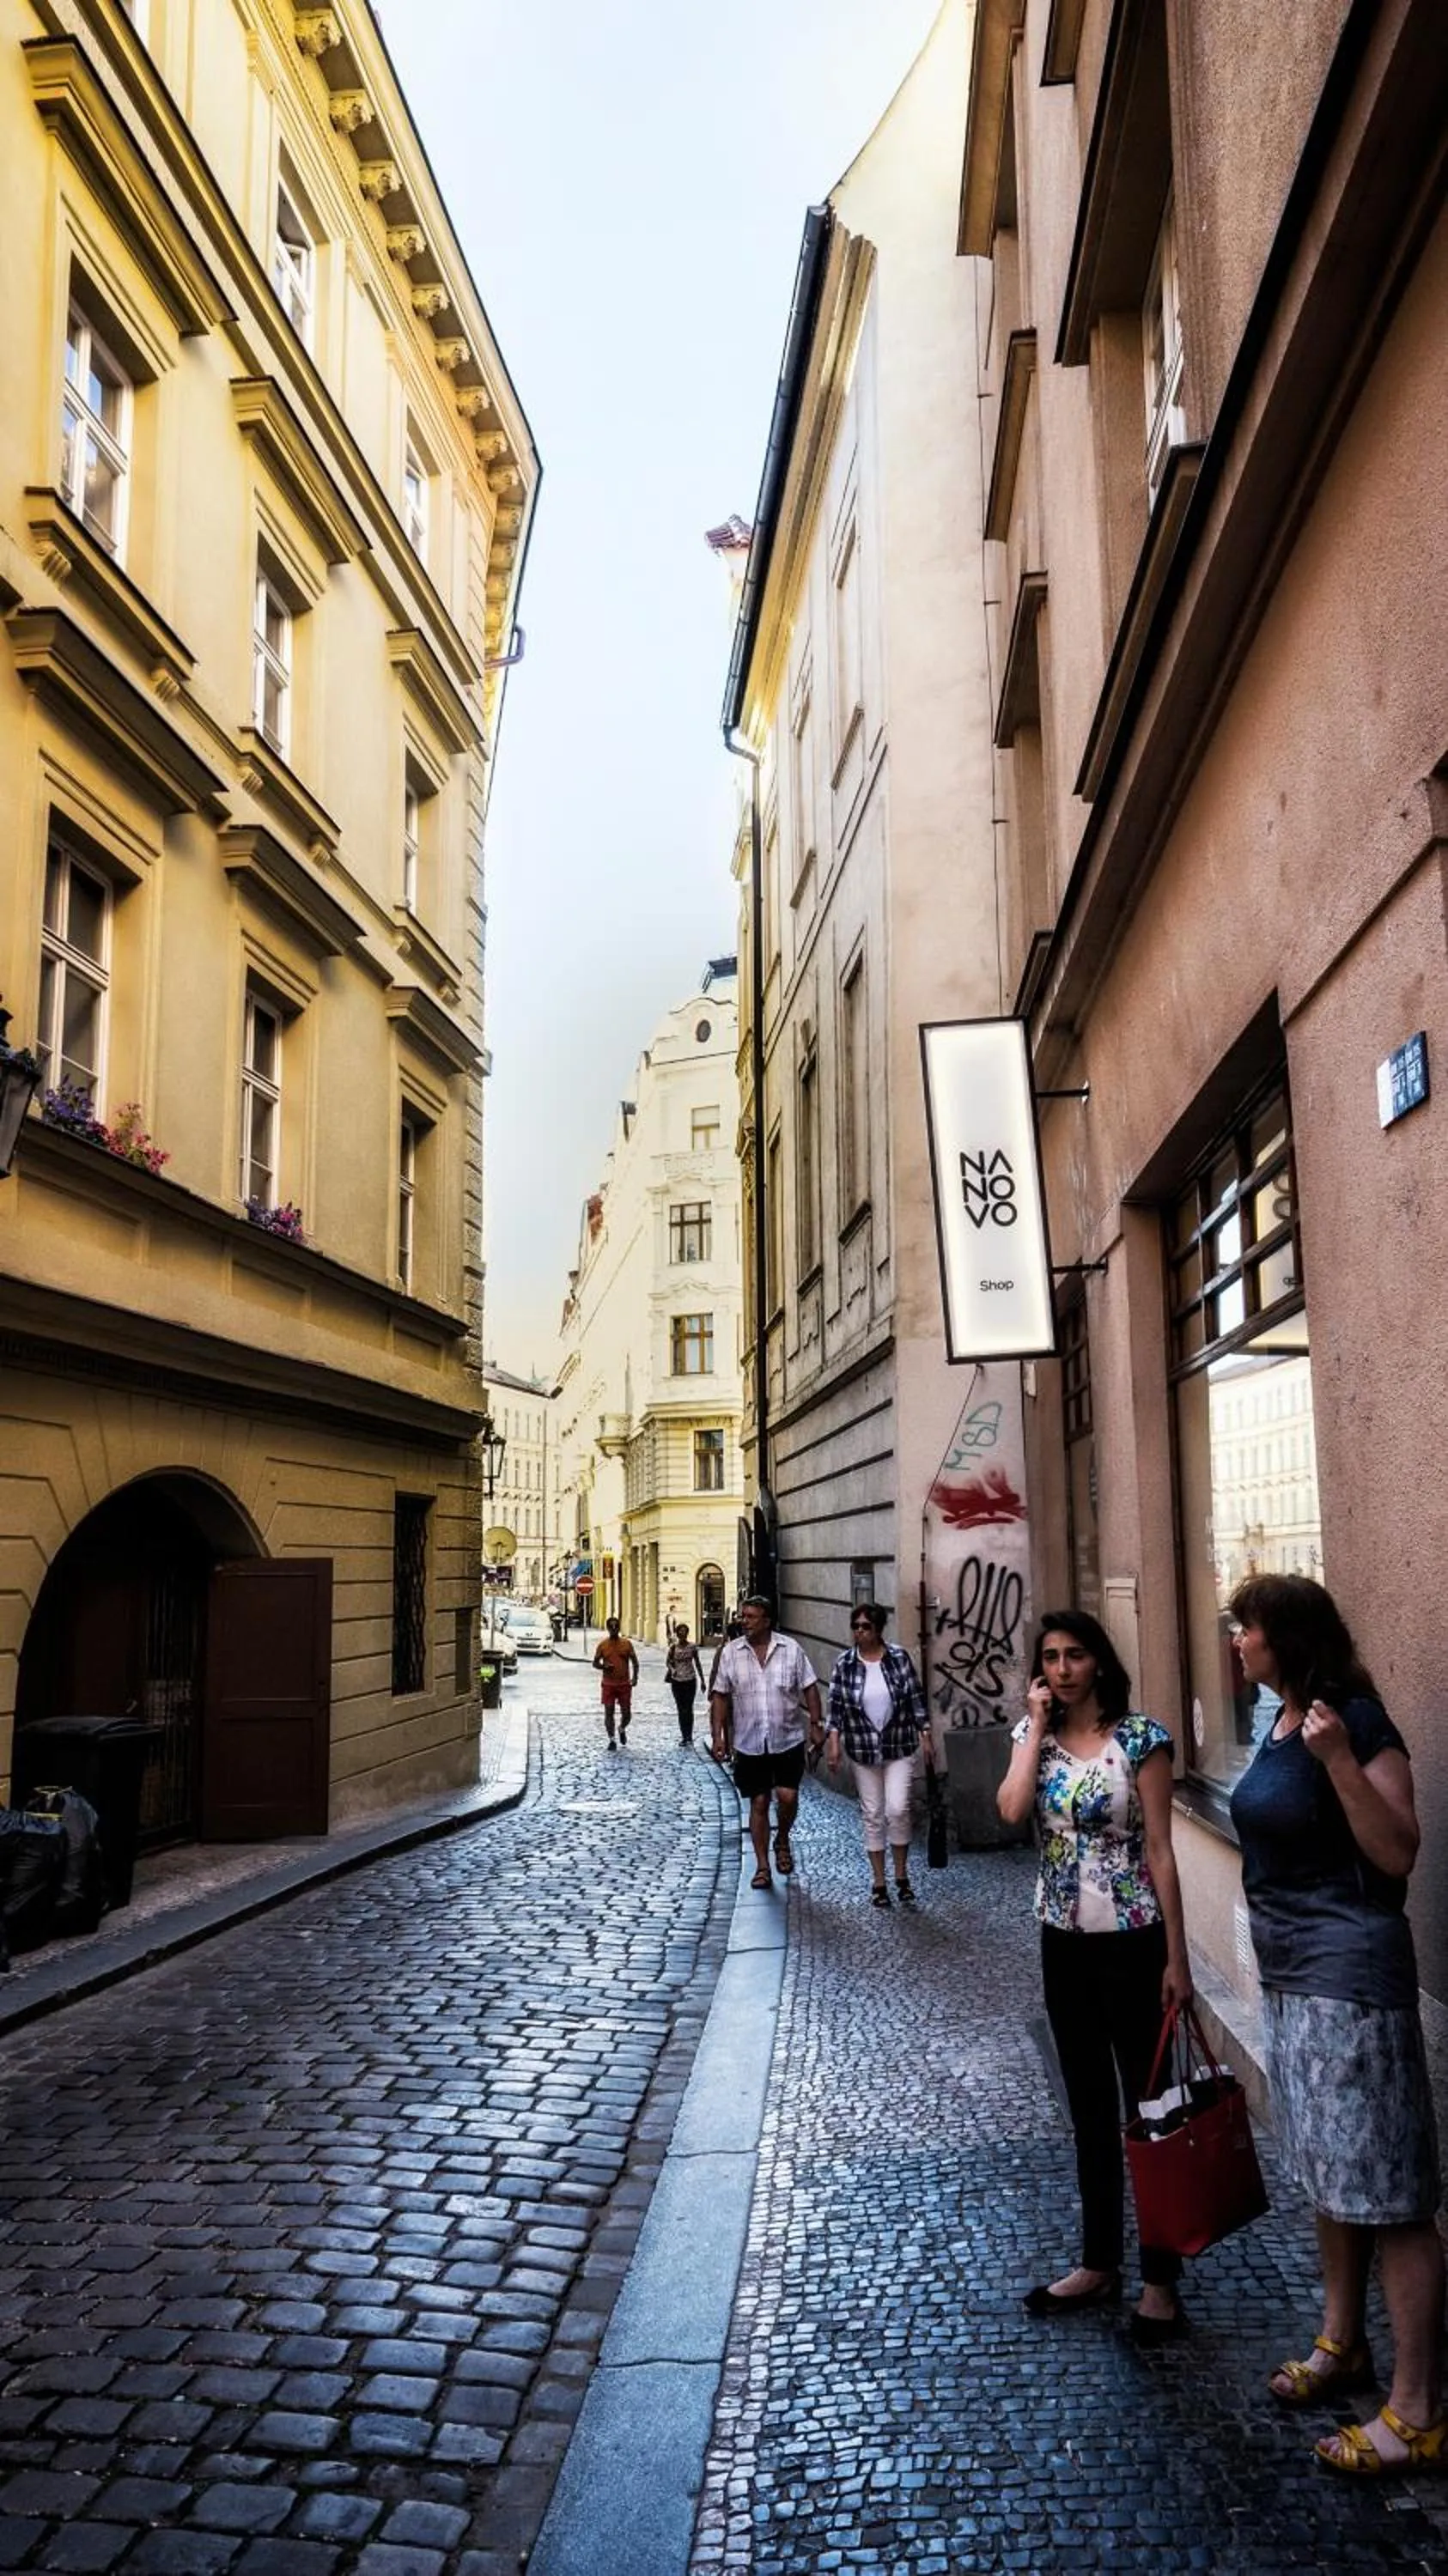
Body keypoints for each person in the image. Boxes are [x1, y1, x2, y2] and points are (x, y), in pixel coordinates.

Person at [1226, 1573, 1443, 2476]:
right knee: (1329, 2174)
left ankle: (1419, 2409)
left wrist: (1341, 1767)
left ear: (1290, 1637)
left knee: (1390, 2195)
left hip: (1351, 1981)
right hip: (1292, 1981)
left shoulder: (1353, 1721)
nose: (1237, 1642)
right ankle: (1342, 2341)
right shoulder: (1278, 1720)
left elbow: (1396, 1852)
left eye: (1248, 1629)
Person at [998, 1608, 1192, 2343]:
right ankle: (1099, 2261)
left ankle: (1162, 2279)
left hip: (1135, 1942)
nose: (1062, 1668)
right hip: (1064, 1942)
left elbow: (1165, 1855)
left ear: (1099, 1662)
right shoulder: (1034, 1741)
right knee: (1086, 2107)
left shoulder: (1141, 1740)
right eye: (1050, 1657)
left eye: (1075, 1654)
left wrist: (1179, 1958)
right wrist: (1035, 1729)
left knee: (1151, 2107)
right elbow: (1013, 1808)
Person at [710, 1595, 823, 1888]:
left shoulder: (791, 1650)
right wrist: (718, 1736)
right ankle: (762, 1867)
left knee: (788, 1797)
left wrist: (816, 1723)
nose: (743, 1621)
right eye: (743, 1616)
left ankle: (782, 1838)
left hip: (787, 1738)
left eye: (750, 1617)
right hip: (749, 1741)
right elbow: (720, 1695)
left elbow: (810, 1688)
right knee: (758, 1801)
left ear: (767, 1621)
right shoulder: (731, 1653)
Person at [825, 1603, 934, 1908]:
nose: (859, 1632)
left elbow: (915, 1699)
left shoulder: (898, 1658)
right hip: (862, 1749)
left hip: (898, 1745)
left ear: (878, 1629)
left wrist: (925, 1735)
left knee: (897, 1809)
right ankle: (879, 1882)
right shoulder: (845, 1664)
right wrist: (833, 1744)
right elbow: (836, 1709)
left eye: (866, 1627)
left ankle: (902, 1876)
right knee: (873, 1814)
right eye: (856, 1626)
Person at [592, 1617, 639, 1751]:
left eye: (616, 1626)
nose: (613, 1629)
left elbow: (635, 1662)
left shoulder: (627, 1644)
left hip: (624, 1683)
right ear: (608, 1628)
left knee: (627, 1713)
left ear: (619, 1627)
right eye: (611, 1627)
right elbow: (595, 1663)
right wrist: (603, 1666)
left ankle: (622, 1728)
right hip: (608, 1684)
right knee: (609, 1711)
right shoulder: (603, 1645)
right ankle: (612, 1739)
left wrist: (635, 1678)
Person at [665, 1622, 706, 1747]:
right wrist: (672, 1670)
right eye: (680, 1632)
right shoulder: (673, 1647)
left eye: (684, 1631)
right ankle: (684, 1735)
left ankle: (689, 1736)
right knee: (681, 1709)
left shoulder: (692, 1647)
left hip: (690, 1680)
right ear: (677, 1634)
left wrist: (703, 1680)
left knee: (689, 1708)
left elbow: (697, 1663)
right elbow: (668, 1662)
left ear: (687, 1633)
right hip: (677, 1681)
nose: (682, 1634)